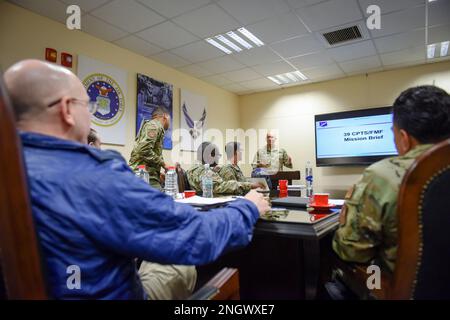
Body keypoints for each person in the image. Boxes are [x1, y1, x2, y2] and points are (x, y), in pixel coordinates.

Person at [4, 59, 270, 299]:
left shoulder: (12, 174)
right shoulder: (96, 175)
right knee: (179, 264)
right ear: (67, 110)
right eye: (88, 104)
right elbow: (196, 238)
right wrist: (247, 207)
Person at [333, 85, 450, 274]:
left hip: (392, 288)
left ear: (404, 138)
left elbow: (351, 252)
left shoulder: (382, 175)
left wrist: (345, 217)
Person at [88, 129, 197, 300]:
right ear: (91, 147)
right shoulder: (98, 180)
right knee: (180, 258)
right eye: (100, 146)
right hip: (112, 291)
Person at [187, 142, 262, 196]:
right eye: (217, 155)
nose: (218, 159)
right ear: (210, 156)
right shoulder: (203, 171)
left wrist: (212, 170)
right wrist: (249, 185)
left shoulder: (194, 168)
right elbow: (219, 186)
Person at [129, 106, 171, 190]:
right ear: (165, 116)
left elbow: (147, 152)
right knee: (162, 200)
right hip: (143, 175)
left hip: (147, 175)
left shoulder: (153, 126)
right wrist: (164, 164)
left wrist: (157, 173)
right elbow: (144, 149)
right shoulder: (154, 126)